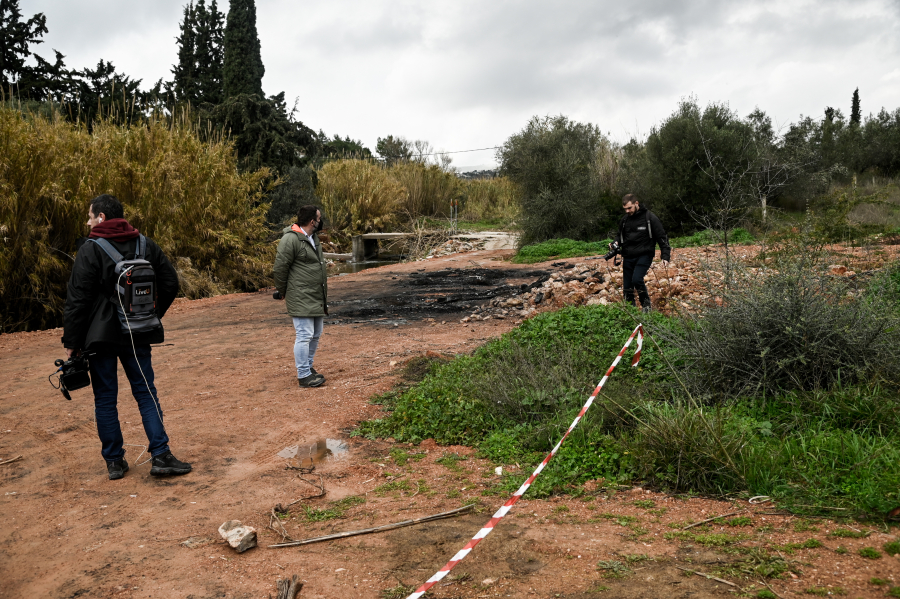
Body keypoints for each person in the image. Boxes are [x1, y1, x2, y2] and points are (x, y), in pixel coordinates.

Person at [62, 194, 192, 480]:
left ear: (102, 218)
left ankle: (115, 462)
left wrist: (72, 343)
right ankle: (161, 456)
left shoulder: (90, 249)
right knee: (146, 392)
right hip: (138, 333)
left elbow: (77, 301)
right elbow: (170, 281)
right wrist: (150, 315)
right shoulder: (145, 243)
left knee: (105, 398)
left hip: (100, 338)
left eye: (89, 215)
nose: (87, 221)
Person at [273, 205, 328, 388]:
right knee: (304, 334)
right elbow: (280, 267)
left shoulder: (313, 238)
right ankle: (303, 374)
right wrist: (282, 291)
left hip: (315, 295)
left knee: (316, 334)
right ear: (313, 221)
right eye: (319, 218)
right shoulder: (290, 239)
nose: (320, 221)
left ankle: (308, 367)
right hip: (300, 295)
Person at [612, 193, 671, 313]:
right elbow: (619, 236)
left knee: (637, 279)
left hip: (645, 255)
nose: (627, 211)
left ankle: (646, 306)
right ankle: (631, 311)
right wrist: (615, 243)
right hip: (628, 256)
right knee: (627, 288)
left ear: (636, 204)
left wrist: (665, 256)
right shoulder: (624, 220)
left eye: (630, 208)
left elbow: (662, 237)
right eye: (625, 209)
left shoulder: (649, 218)